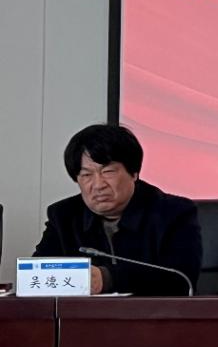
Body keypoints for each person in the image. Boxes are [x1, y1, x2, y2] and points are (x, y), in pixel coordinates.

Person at [34, 123, 202, 295]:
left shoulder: (174, 213)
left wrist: (108, 278)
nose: (98, 185)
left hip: (154, 312)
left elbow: (181, 280)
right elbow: (37, 276)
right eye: (86, 175)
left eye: (108, 172)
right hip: (82, 313)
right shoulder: (63, 216)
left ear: (134, 173)